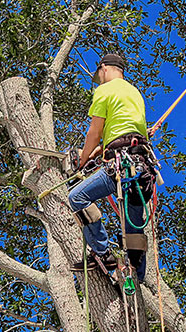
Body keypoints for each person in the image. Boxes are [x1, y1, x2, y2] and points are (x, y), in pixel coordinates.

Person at [68, 54, 156, 280]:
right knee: (133, 231)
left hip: (121, 166)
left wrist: (84, 159)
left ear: (103, 68)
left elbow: (94, 133)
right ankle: (138, 277)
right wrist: (101, 150)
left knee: (77, 197)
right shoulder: (134, 92)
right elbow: (124, 130)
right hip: (142, 169)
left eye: (98, 74)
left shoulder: (104, 90)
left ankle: (103, 253)